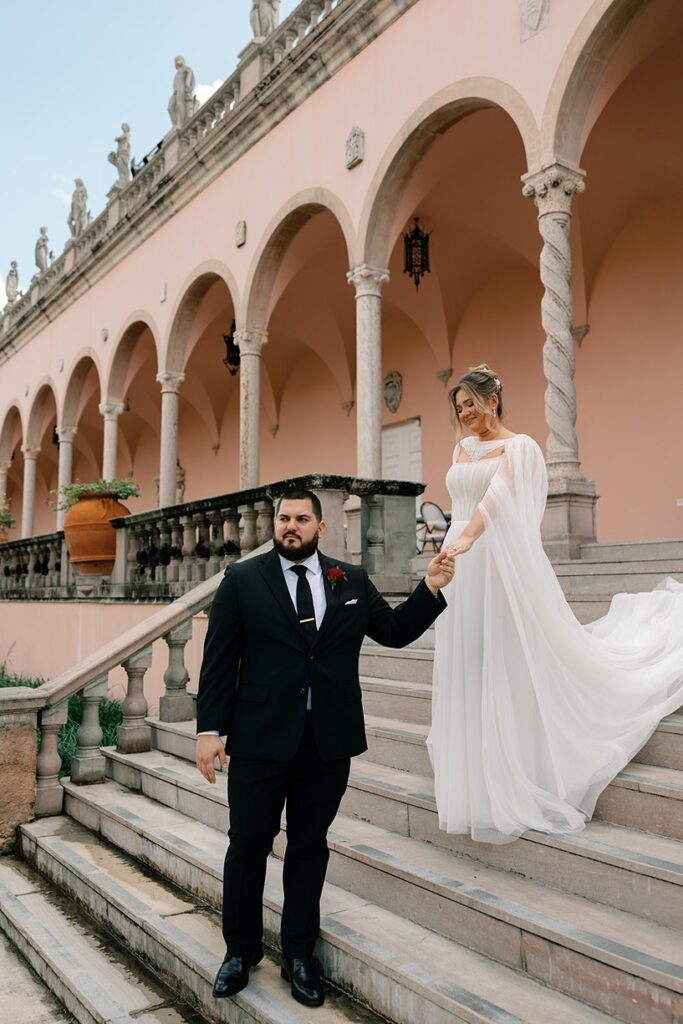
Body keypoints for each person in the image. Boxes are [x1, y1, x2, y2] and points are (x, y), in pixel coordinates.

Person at [196, 488, 452, 1006]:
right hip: (260, 740)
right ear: (276, 523)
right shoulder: (243, 580)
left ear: (321, 526)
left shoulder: (350, 580)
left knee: (310, 848)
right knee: (248, 845)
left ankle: (299, 955)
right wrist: (209, 731)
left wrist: (430, 587)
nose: (291, 526)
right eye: (284, 518)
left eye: (301, 518)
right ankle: (240, 951)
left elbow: (396, 632)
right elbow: (219, 661)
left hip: (326, 743)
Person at [429, 363, 683, 844]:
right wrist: (453, 546)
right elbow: (461, 500)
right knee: (471, 659)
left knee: (507, 658)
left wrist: (464, 540)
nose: (464, 414)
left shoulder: (521, 447)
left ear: (493, 400)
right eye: (459, 407)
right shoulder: (460, 448)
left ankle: (521, 764)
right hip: (462, 565)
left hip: (497, 562)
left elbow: (496, 501)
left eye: (471, 404)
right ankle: (479, 767)